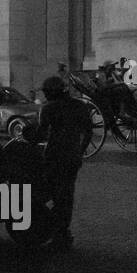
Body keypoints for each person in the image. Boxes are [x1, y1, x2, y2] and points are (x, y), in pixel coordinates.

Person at [36, 75, 93, 250]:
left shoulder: (49, 108)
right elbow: (88, 132)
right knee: (67, 195)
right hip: (72, 157)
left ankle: (57, 232)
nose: (45, 96)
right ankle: (62, 231)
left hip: (54, 156)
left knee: (53, 194)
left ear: (52, 92)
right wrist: (80, 152)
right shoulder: (80, 106)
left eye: (46, 92)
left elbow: (41, 134)